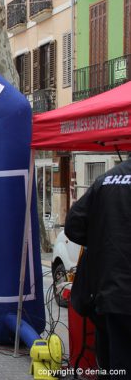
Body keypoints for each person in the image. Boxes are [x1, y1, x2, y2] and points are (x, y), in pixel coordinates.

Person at [64, 155, 131, 377]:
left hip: (108, 291)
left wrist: (101, 243)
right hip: (114, 290)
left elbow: (73, 224)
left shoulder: (105, 180)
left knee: (113, 360)